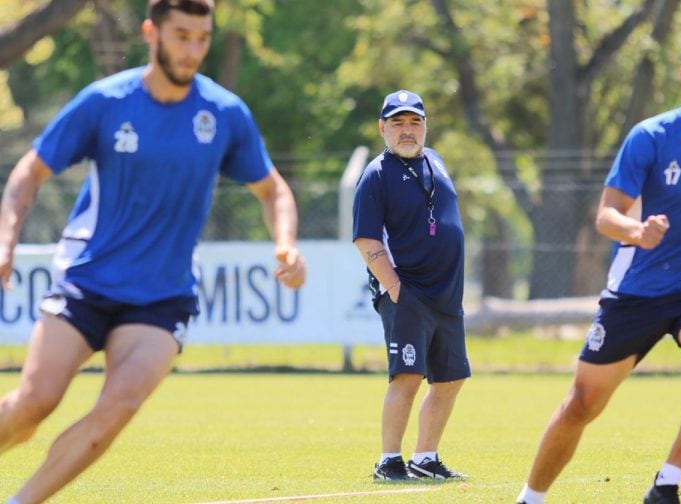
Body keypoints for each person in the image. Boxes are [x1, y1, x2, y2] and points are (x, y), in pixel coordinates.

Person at [0, 1, 306, 502]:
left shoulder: (224, 113)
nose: (192, 51)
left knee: (114, 411)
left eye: (202, 39)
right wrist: (5, 238)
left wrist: (286, 245)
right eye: (181, 36)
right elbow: (27, 174)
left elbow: (273, 191)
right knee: (33, 405)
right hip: (87, 282)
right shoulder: (104, 101)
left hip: (162, 299)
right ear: (152, 32)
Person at [516, 28, 681, 504]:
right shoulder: (650, 137)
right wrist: (637, 231)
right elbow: (606, 215)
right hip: (638, 291)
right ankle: (531, 498)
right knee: (582, 405)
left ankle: (666, 485)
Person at [352, 90, 471, 481]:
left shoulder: (434, 160)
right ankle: (389, 460)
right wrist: (397, 290)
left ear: (425, 126)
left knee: (451, 378)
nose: (407, 130)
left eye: (415, 122)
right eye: (398, 123)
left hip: (447, 295)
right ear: (382, 128)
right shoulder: (376, 175)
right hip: (409, 294)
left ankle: (425, 458)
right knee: (407, 376)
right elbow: (366, 240)